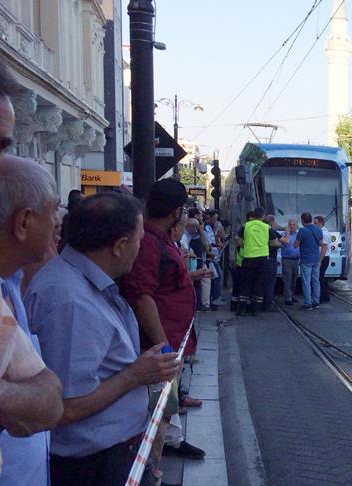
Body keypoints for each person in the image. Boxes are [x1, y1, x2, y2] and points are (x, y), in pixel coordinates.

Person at [26, 193, 179, 486]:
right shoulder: (70, 302)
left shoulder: (83, 285)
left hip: (106, 456)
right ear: (120, 246)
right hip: (91, 466)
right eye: (139, 240)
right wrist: (135, 374)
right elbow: (65, 407)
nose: (140, 249)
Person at [119, 179, 206, 469]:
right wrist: (164, 347)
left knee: (165, 408)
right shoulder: (149, 242)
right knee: (158, 409)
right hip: (161, 350)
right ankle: (151, 468)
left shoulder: (159, 238)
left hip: (170, 346)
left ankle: (164, 449)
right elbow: (143, 296)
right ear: (177, 211)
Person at [0, 153, 64, 485]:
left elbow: (49, 401)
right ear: (24, 222)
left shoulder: (10, 284)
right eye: (52, 213)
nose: (58, 225)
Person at [235, 208, 277, 316]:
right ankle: (256, 310)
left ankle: (242, 309)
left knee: (245, 283)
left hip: (248, 258)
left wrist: (246, 244)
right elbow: (273, 243)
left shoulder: (246, 226)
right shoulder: (267, 227)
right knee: (259, 283)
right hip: (262, 259)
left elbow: (238, 240)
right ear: (263, 216)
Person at [294, 212, 326, 311]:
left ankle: (308, 303)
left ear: (303, 220)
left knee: (306, 282)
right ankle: (316, 302)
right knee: (316, 281)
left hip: (306, 260)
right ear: (311, 219)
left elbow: (296, 245)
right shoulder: (318, 230)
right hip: (316, 259)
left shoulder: (302, 231)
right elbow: (321, 243)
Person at [262, 215, 281, 311]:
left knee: (263, 282)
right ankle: (268, 304)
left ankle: (262, 302)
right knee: (270, 282)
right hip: (270, 259)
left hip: (261, 258)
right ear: (272, 223)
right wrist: (279, 244)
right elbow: (277, 243)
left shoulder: (262, 229)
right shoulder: (271, 231)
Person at [279, 219, 300, 305]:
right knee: (287, 279)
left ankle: (292, 295)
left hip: (296, 259)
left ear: (296, 226)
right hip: (287, 259)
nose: (291, 226)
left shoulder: (298, 235)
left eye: (293, 225)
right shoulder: (283, 235)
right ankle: (288, 298)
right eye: (290, 224)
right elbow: (283, 242)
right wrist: (287, 234)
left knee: (294, 279)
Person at [314, 215, 331, 303]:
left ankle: (323, 297)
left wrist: (320, 260)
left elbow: (324, 248)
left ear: (321, 223)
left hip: (323, 257)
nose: (314, 225)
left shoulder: (324, 233)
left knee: (319, 278)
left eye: (316, 223)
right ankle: (324, 296)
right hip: (322, 257)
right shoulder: (321, 231)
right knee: (320, 278)